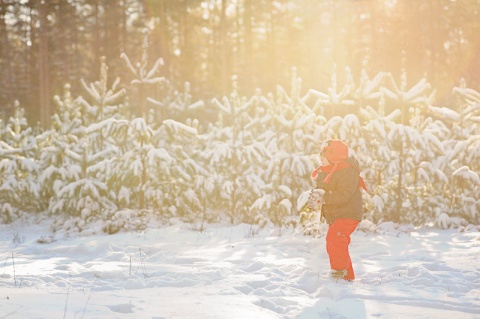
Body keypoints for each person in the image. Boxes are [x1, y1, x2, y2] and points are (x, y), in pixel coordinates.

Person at [308, 139, 367, 281]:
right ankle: (347, 277)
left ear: (334, 158)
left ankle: (338, 273)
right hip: (336, 215)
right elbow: (323, 191)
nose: (320, 159)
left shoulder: (347, 172)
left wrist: (325, 197)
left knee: (335, 239)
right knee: (339, 241)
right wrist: (316, 196)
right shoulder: (324, 172)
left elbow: (344, 194)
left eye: (324, 156)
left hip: (348, 213)